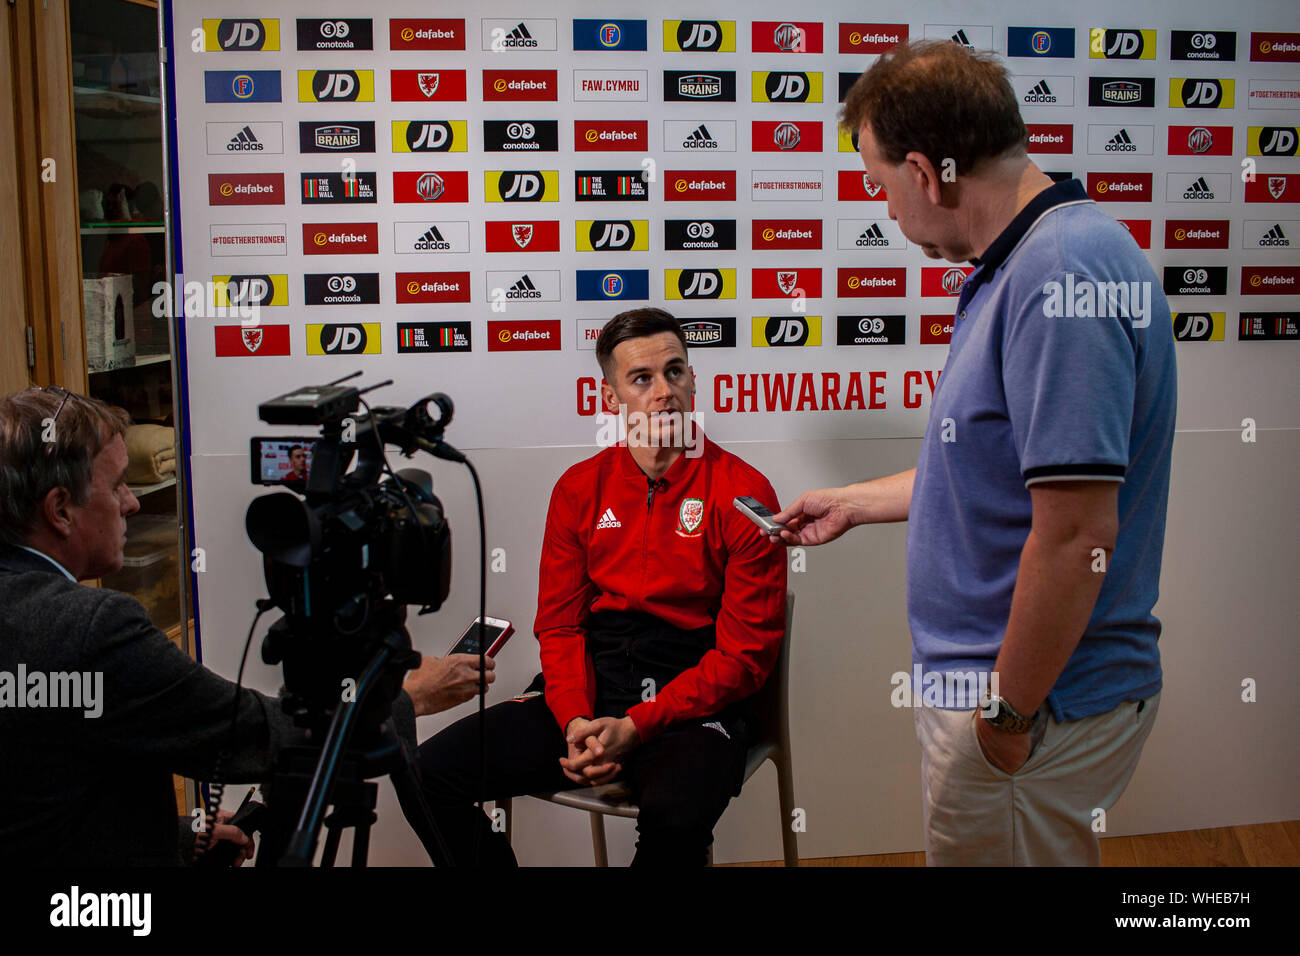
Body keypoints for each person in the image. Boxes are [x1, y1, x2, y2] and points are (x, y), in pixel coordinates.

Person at [775, 40, 1176, 866]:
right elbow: (997, 474)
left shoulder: (1061, 272)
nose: (888, 211)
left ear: (925, 172)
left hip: (1034, 705)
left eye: (880, 186)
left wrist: (1007, 718)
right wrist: (854, 501)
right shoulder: (1022, 266)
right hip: (1014, 697)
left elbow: (1075, 538)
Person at [0, 387, 492, 865]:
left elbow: (40, 801)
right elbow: (241, 733)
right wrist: (407, 697)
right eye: (116, 485)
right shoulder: (91, 629)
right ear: (61, 509)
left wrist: (176, 836)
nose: (131, 503)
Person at [413, 309, 787, 866]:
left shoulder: (744, 492)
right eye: (642, 379)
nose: (665, 392)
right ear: (610, 397)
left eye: (676, 371)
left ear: (693, 377)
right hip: (591, 688)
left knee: (677, 818)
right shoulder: (578, 490)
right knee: (425, 775)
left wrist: (640, 724)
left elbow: (744, 658)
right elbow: (560, 625)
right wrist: (576, 721)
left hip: (690, 700)